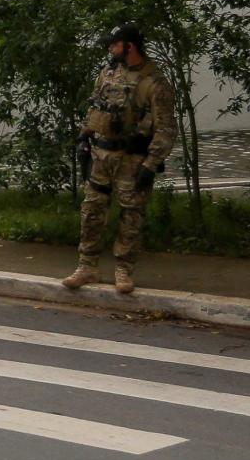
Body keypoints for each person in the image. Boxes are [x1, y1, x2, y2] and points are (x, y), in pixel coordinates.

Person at [63, 23, 178, 295]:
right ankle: (87, 265)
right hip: (102, 154)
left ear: (130, 46)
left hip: (132, 159)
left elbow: (165, 129)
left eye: (114, 44)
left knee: (130, 215)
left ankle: (123, 269)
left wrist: (150, 164)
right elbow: (96, 107)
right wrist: (83, 136)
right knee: (92, 210)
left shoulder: (154, 82)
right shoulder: (108, 73)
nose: (109, 48)